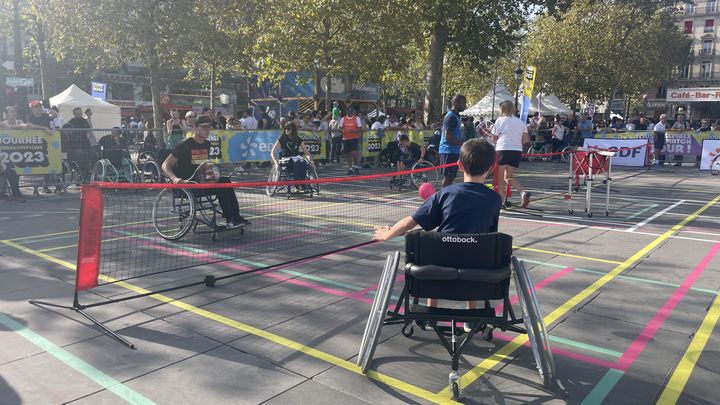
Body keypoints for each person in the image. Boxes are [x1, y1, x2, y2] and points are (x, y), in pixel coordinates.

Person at [374, 139, 500, 329]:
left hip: (437, 267)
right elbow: (490, 232)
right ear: (491, 168)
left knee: (435, 249)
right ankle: (470, 316)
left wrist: (388, 233)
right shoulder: (495, 199)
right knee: (475, 249)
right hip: (477, 270)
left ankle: (431, 312)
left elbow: (411, 221)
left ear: (458, 165)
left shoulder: (445, 194)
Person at [162, 115, 250, 227]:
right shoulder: (184, 145)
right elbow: (165, 165)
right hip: (187, 184)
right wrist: (174, 178)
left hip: (202, 182)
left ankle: (234, 217)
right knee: (222, 184)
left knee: (225, 181)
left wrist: (210, 174)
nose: (207, 130)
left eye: (209, 127)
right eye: (204, 127)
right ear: (195, 127)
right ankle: (231, 218)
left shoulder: (207, 144)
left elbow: (203, 165)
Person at [493, 100, 530, 209]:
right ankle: (522, 192)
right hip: (516, 151)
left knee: (500, 178)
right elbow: (526, 139)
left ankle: (501, 202)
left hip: (502, 149)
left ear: (502, 109)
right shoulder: (520, 122)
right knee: (508, 176)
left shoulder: (500, 120)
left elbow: (494, 138)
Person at [439, 94, 467, 187]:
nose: (465, 106)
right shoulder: (451, 117)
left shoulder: (456, 116)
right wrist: (462, 143)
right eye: (463, 103)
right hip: (448, 151)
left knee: (451, 177)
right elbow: (448, 136)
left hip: (453, 151)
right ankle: (443, 197)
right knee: (448, 177)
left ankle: (445, 195)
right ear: (456, 103)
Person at [338, 107, 362, 175]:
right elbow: (340, 128)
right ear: (347, 112)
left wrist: (354, 131)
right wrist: (343, 130)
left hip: (354, 138)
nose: (350, 114)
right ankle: (350, 168)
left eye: (351, 112)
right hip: (346, 138)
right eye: (349, 112)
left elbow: (360, 128)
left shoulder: (357, 118)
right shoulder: (343, 119)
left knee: (354, 153)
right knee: (348, 154)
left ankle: (356, 166)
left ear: (353, 112)